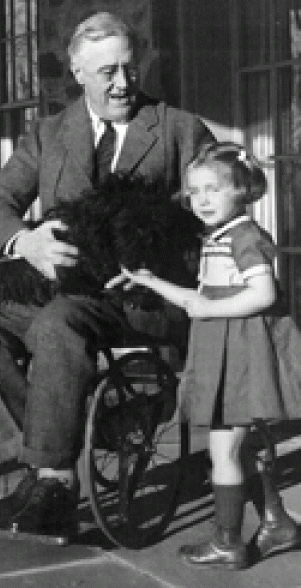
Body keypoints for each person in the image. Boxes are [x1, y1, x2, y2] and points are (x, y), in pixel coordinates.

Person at [0, 11, 214, 542]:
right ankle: (44, 461)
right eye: (107, 71)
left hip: (138, 298)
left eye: (130, 68)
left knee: (58, 322)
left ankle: (56, 480)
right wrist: (27, 242)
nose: (122, 82)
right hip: (61, 287)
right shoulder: (49, 133)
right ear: (78, 73)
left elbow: (215, 221)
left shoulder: (180, 130)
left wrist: (160, 265)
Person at [120, 142, 301, 569]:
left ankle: (227, 540)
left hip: (239, 357)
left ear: (243, 190)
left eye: (213, 190)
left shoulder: (246, 237)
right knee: (245, 445)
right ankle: (277, 523)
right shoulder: (220, 236)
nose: (201, 200)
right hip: (225, 351)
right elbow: (197, 299)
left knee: (223, 451)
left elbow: (263, 293)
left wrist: (209, 309)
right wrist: (151, 281)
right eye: (194, 191)